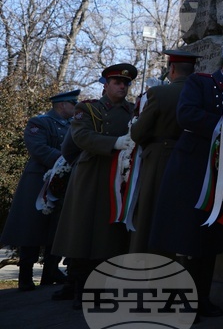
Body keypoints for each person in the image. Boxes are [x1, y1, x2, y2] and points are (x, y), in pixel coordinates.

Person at [148, 43, 223, 320]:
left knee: (210, 238)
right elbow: (187, 114)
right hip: (192, 171)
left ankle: (201, 297)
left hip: (222, 172)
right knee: (186, 238)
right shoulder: (201, 82)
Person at [51, 63, 138, 308]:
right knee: (82, 232)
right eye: (117, 82)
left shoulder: (132, 110)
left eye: (126, 83)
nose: (122, 87)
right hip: (91, 174)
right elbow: (80, 137)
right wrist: (115, 143)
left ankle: (101, 287)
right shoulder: (88, 108)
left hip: (119, 176)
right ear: (106, 85)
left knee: (108, 236)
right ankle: (79, 287)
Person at [1, 89, 78, 291]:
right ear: (61, 105)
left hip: (63, 181)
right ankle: (25, 276)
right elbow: (38, 148)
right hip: (38, 181)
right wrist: (64, 160)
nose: (75, 107)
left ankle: (50, 272)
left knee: (57, 228)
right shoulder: (39, 122)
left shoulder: (73, 125)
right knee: (31, 228)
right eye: (73, 103)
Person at [128, 49, 198, 254]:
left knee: (149, 214)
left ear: (172, 69)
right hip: (192, 160)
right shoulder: (200, 94)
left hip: (160, 159)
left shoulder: (159, 93)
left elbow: (138, 133)